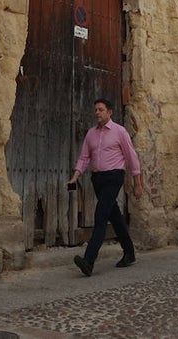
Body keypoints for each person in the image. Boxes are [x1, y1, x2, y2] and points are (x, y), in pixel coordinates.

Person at [67, 97, 143, 276]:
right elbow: (84, 157)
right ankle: (129, 252)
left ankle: (89, 261)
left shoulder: (120, 131)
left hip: (114, 176)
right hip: (98, 179)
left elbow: (131, 156)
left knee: (101, 216)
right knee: (114, 216)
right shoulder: (91, 134)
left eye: (101, 110)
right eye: (95, 110)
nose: (97, 113)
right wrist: (74, 177)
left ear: (109, 112)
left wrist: (137, 182)